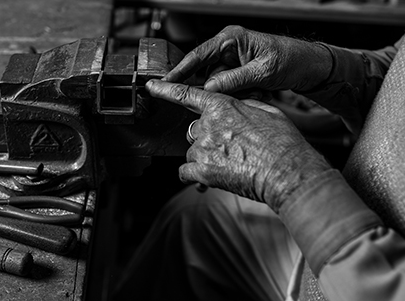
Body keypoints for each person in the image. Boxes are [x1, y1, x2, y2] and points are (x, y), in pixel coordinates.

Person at [111, 22, 405, 301]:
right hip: (351, 210)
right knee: (195, 217)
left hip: (357, 272)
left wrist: (289, 178)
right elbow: (398, 67)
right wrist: (322, 67)